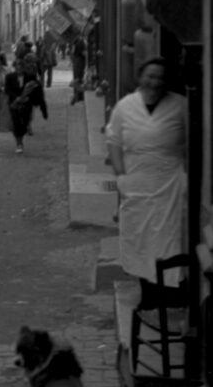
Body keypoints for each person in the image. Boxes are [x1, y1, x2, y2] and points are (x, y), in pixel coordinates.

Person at [105, 57, 187, 309]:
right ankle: (148, 295)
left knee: (168, 239)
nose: (154, 82)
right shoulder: (125, 106)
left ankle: (169, 297)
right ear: (140, 77)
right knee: (139, 240)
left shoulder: (180, 105)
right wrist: (121, 178)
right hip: (136, 184)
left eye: (160, 77)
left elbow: (193, 141)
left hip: (169, 185)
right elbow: (114, 142)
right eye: (150, 76)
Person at [5, 56, 48, 154]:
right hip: (14, 104)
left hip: (26, 104)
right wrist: (16, 97)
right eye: (17, 67)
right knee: (16, 124)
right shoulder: (10, 77)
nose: (19, 69)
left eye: (21, 67)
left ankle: (23, 133)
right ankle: (19, 144)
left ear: (24, 67)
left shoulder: (30, 77)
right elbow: (7, 90)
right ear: (14, 67)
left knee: (24, 123)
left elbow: (37, 90)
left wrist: (33, 99)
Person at [70, 34, 87, 104]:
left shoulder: (76, 41)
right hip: (79, 62)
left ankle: (76, 96)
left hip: (76, 61)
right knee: (79, 78)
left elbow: (72, 52)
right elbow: (83, 53)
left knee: (76, 78)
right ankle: (78, 96)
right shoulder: (81, 41)